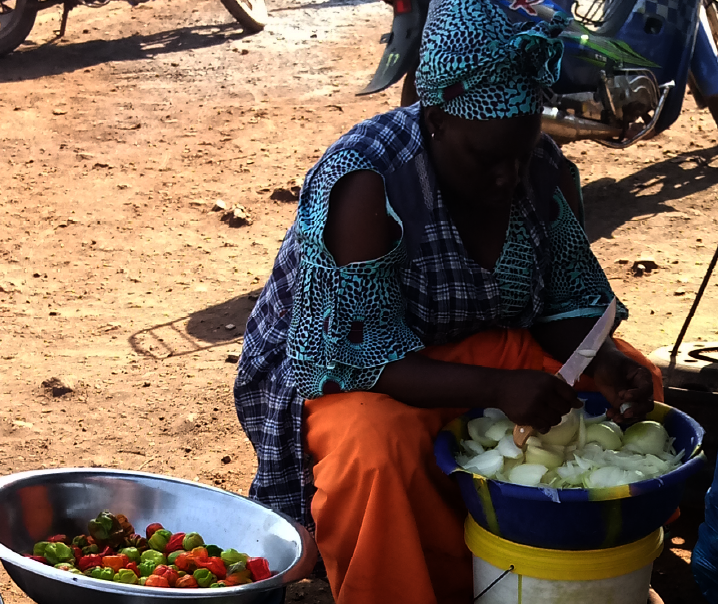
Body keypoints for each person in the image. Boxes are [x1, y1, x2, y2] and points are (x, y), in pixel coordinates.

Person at [233, 0, 662, 602]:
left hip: (477, 353)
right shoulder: (366, 183)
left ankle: (557, 575)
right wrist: (495, 389)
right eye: (488, 159)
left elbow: (566, 309)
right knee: (375, 455)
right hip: (349, 370)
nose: (507, 177)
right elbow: (362, 358)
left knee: (635, 384)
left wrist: (606, 362)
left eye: (521, 152)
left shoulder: (540, 170)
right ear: (434, 119)